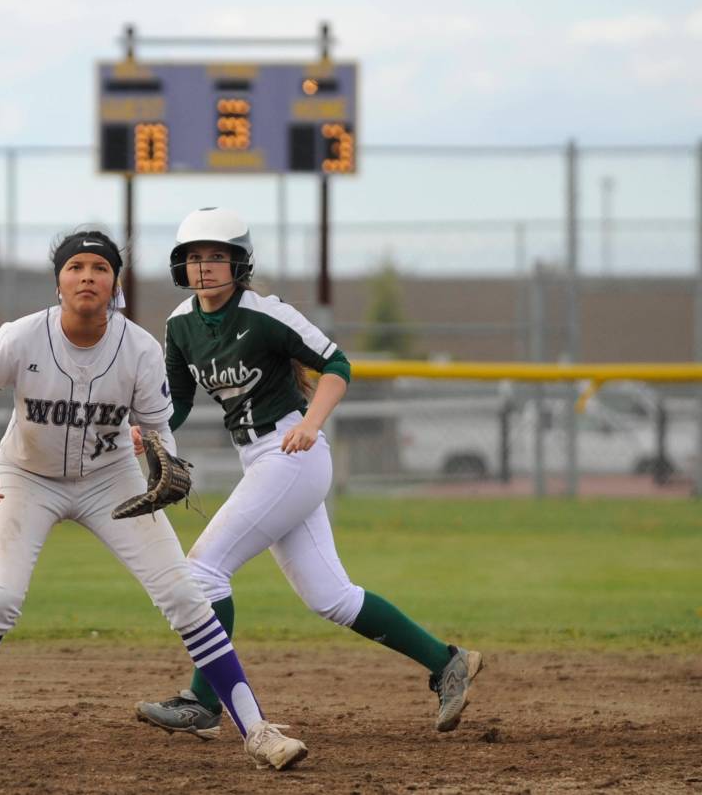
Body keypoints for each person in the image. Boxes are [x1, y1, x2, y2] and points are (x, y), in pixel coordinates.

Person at [0, 229, 308, 772]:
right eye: (76, 267)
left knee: (184, 594)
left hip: (111, 478)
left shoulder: (139, 348)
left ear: (114, 283)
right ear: (58, 281)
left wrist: (163, 463)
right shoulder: (22, 336)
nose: (87, 277)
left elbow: (158, 427)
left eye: (99, 269)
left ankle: (259, 731)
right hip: (27, 476)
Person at [133, 208, 483, 740]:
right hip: (262, 460)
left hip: (292, 451)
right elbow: (177, 403)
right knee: (332, 596)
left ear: (239, 263)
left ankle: (204, 703)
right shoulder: (181, 324)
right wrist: (150, 431)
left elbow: (337, 364)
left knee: (202, 571)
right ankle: (447, 661)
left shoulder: (266, 313)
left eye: (216, 256)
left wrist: (313, 424)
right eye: (194, 257)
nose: (204, 267)